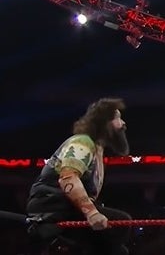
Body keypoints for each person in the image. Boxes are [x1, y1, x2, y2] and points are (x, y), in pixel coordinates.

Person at [26, 98, 132, 255]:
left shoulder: (96, 150)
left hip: (66, 207)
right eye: (117, 117)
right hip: (52, 205)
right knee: (121, 223)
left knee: (118, 250)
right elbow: (68, 178)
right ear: (104, 122)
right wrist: (92, 212)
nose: (123, 123)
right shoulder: (82, 142)